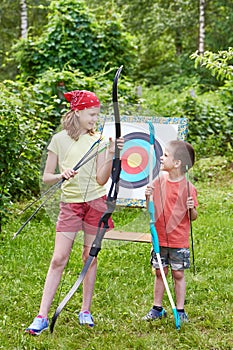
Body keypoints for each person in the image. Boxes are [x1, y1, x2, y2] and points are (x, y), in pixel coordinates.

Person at [25, 90, 124, 335]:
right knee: (59, 258)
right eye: (91, 114)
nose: (95, 119)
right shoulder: (59, 140)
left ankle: (85, 310)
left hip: (95, 204)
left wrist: (111, 154)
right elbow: (47, 177)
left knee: (89, 258)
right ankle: (42, 315)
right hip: (70, 205)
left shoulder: (99, 140)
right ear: (77, 112)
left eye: (97, 115)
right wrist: (62, 174)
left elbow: (102, 180)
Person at [142, 140, 198, 323]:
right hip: (159, 238)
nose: (161, 157)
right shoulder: (158, 181)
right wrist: (147, 196)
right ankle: (157, 308)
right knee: (160, 273)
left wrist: (191, 208)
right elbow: (150, 209)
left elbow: (193, 216)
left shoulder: (189, 188)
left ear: (177, 163)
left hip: (178, 240)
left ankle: (180, 310)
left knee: (178, 274)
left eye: (166, 155)